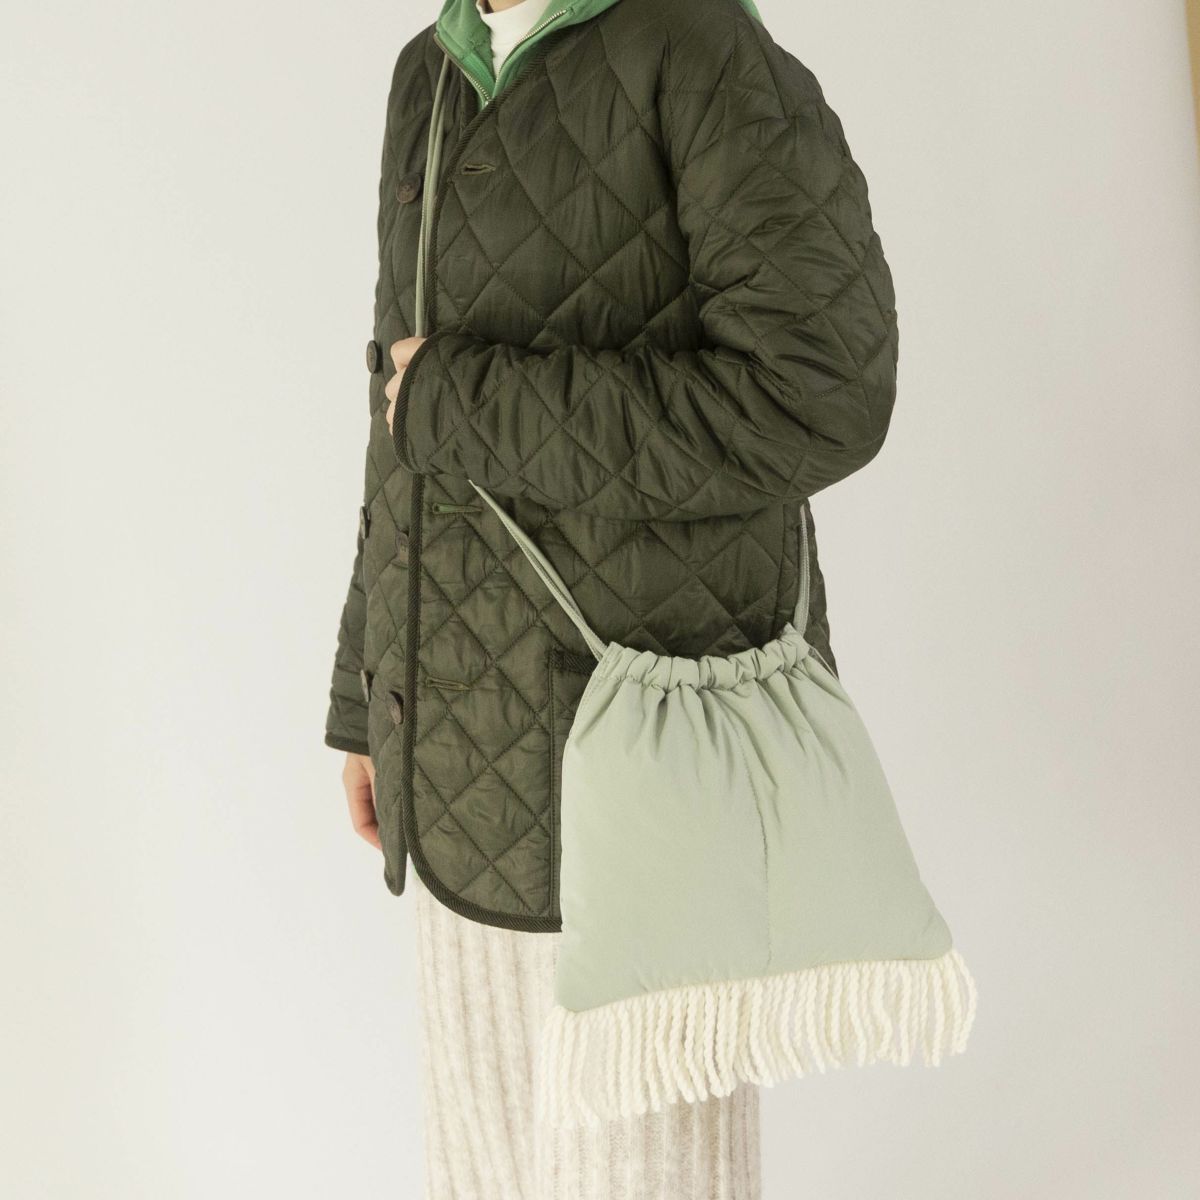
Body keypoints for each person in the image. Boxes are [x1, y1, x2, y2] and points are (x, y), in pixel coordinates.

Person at [326, 0, 899, 1194]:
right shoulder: (430, 71)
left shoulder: (696, 43)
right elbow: (398, 419)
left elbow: (819, 396)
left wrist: (466, 403)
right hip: (455, 762)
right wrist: (363, 692)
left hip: (643, 762)